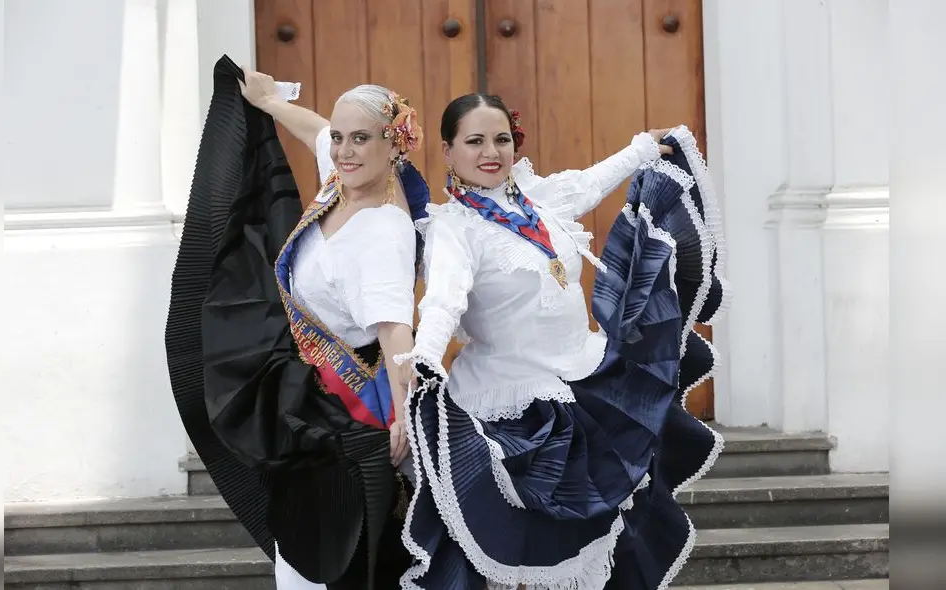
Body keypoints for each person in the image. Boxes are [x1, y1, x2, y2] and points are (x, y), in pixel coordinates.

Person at [394, 94, 729, 589]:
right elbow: (444, 297)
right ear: (447, 152)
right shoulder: (452, 227)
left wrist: (642, 149)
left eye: (502, 139)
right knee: (527, 544)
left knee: (604, 540)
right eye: (475, 141)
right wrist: (423, 356)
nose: (492, 151)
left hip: (587, 381)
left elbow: (590, 182)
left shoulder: (537, 198)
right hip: (515, 403)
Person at [164, 55, 427, 590]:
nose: (343, 150)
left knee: (336, 552)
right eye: (340, 138)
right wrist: (268, 103)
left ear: (392, 143)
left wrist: (404, 414)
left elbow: (395, 330)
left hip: (351, 412)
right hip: (307, 402)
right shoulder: (340, 183)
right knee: (304, 546)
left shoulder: (383, 231)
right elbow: (315, 129)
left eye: (360, 139)